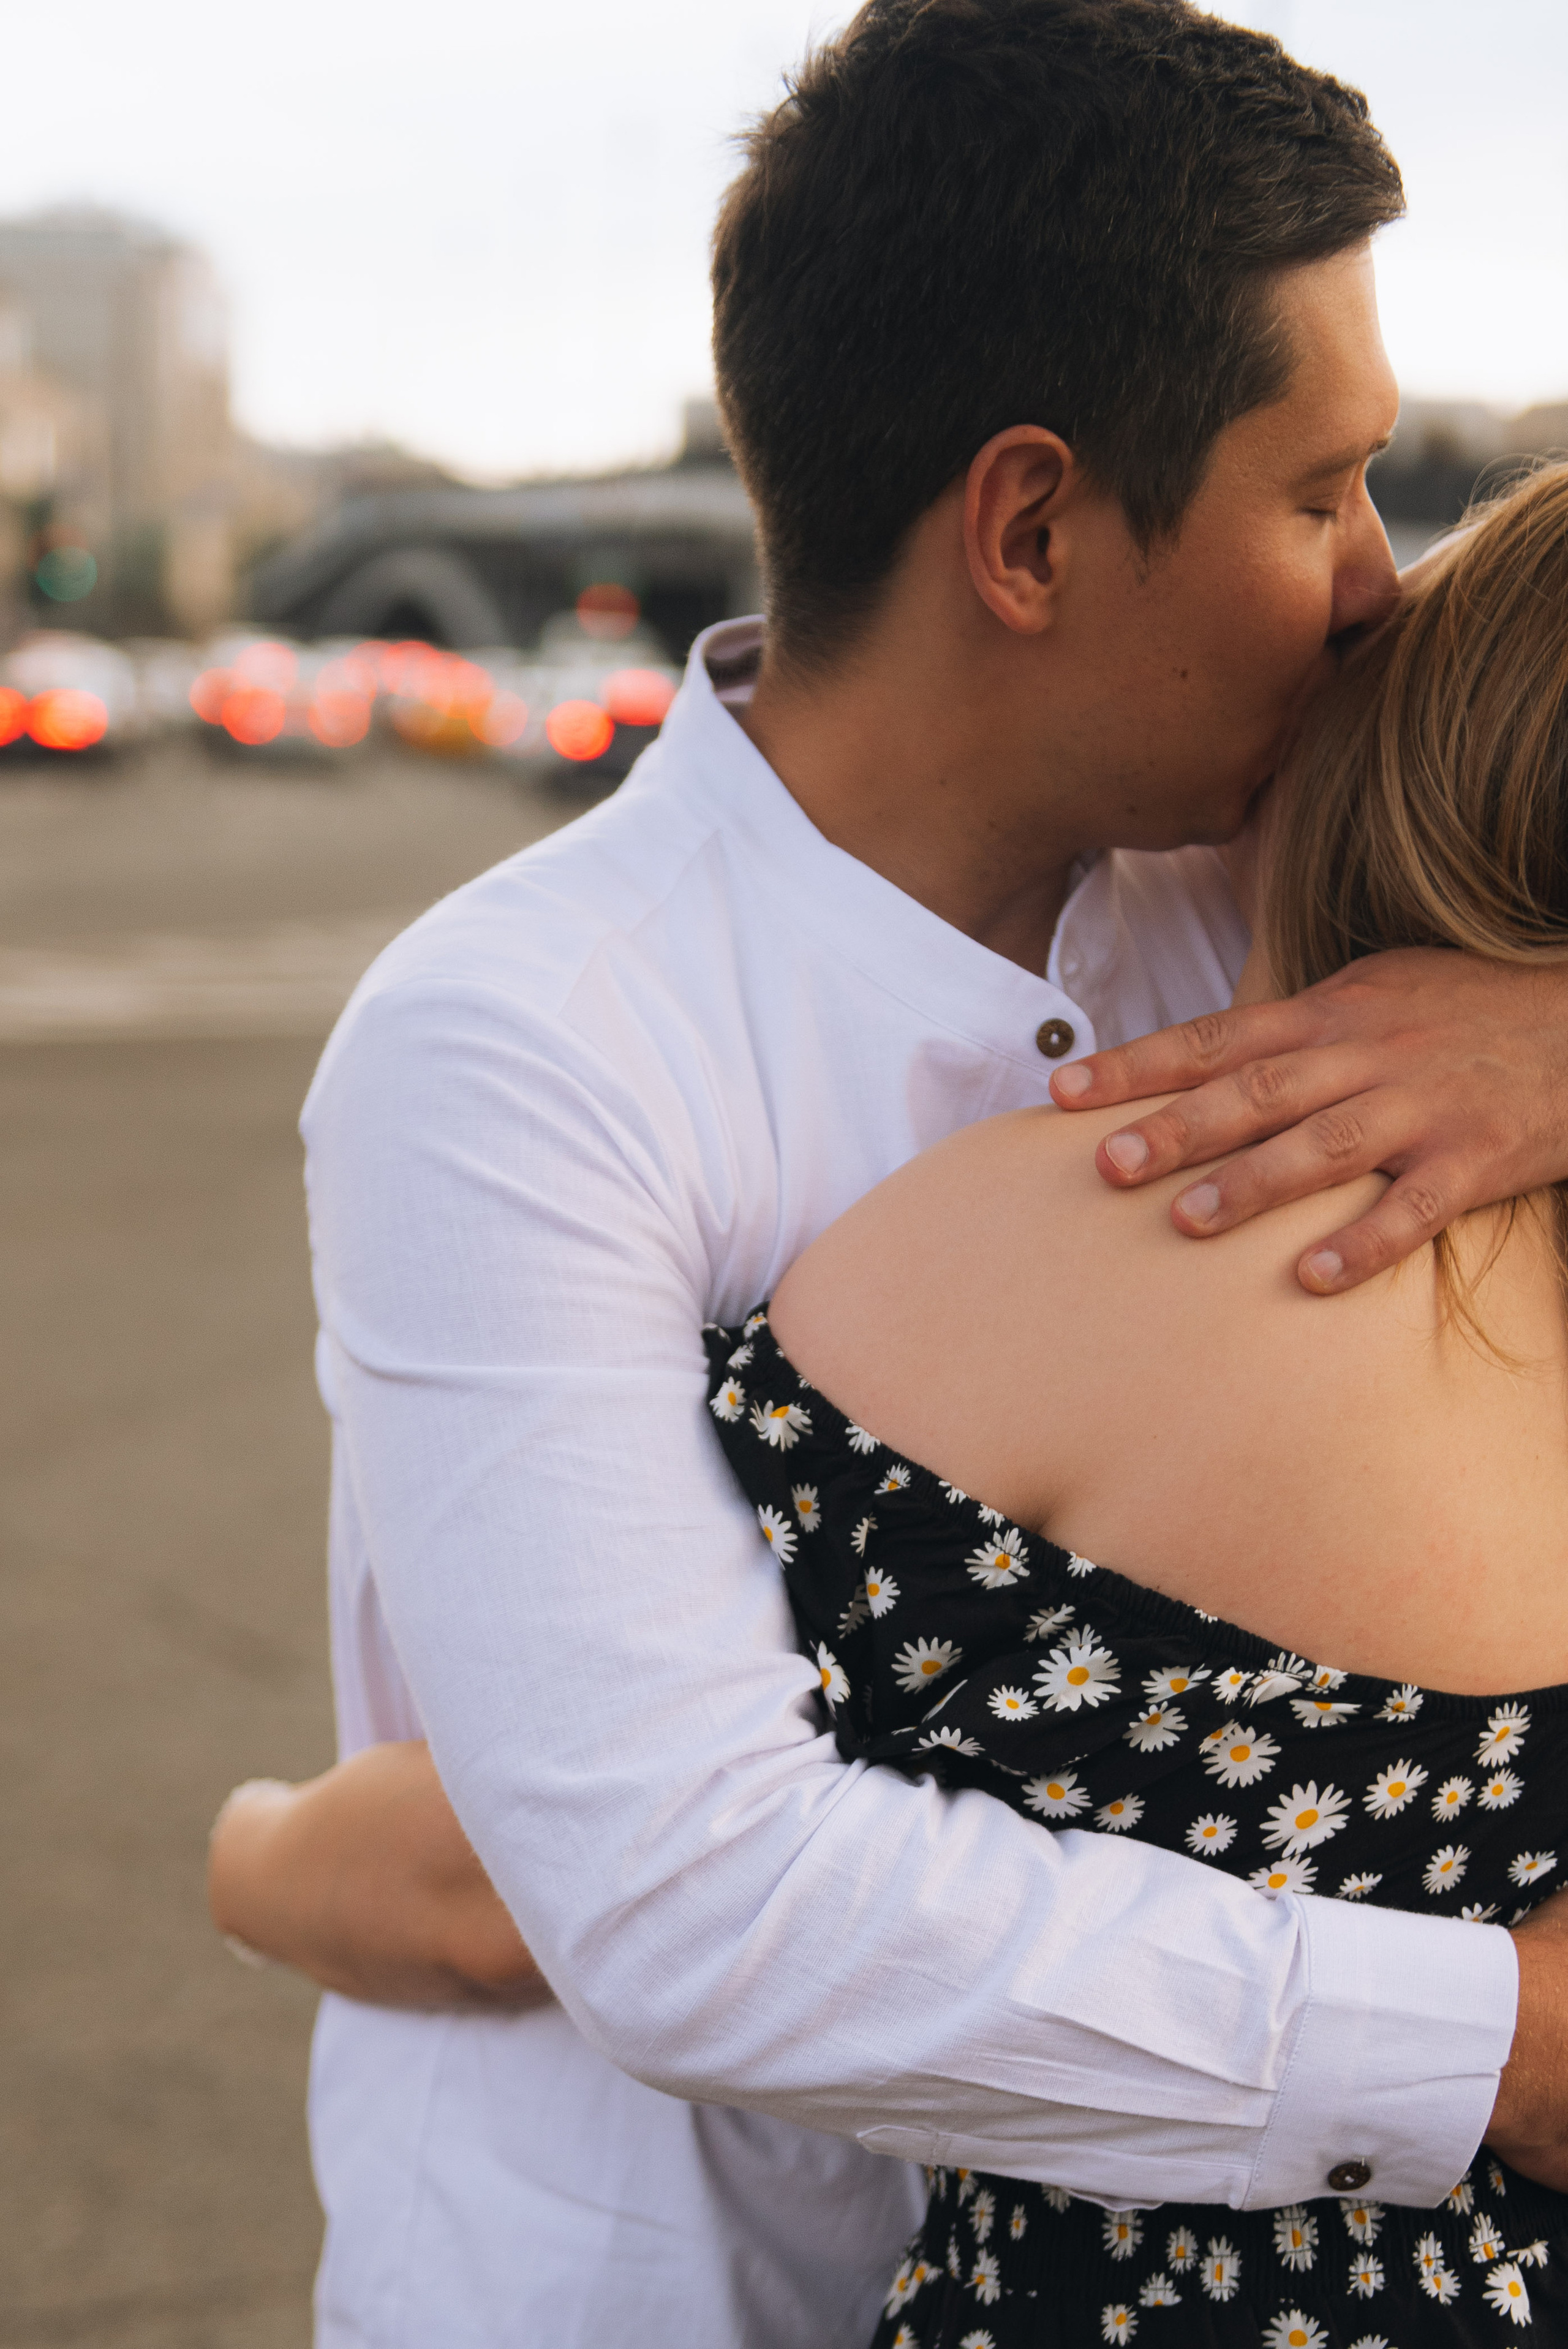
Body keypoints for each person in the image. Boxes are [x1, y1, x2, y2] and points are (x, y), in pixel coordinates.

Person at [216, 7, 1568, 2343]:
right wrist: (1504, 2043)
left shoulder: (1288, 916)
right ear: (1032, 526)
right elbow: (700, 1900)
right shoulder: (524, 1045)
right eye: (1317, 486)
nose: (1378, 581)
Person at [699, 458, 1568, 2343]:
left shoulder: (1027, 1244)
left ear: (1410, 764)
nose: (1360, 581)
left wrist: (276, 1846)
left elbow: (624, 1851)